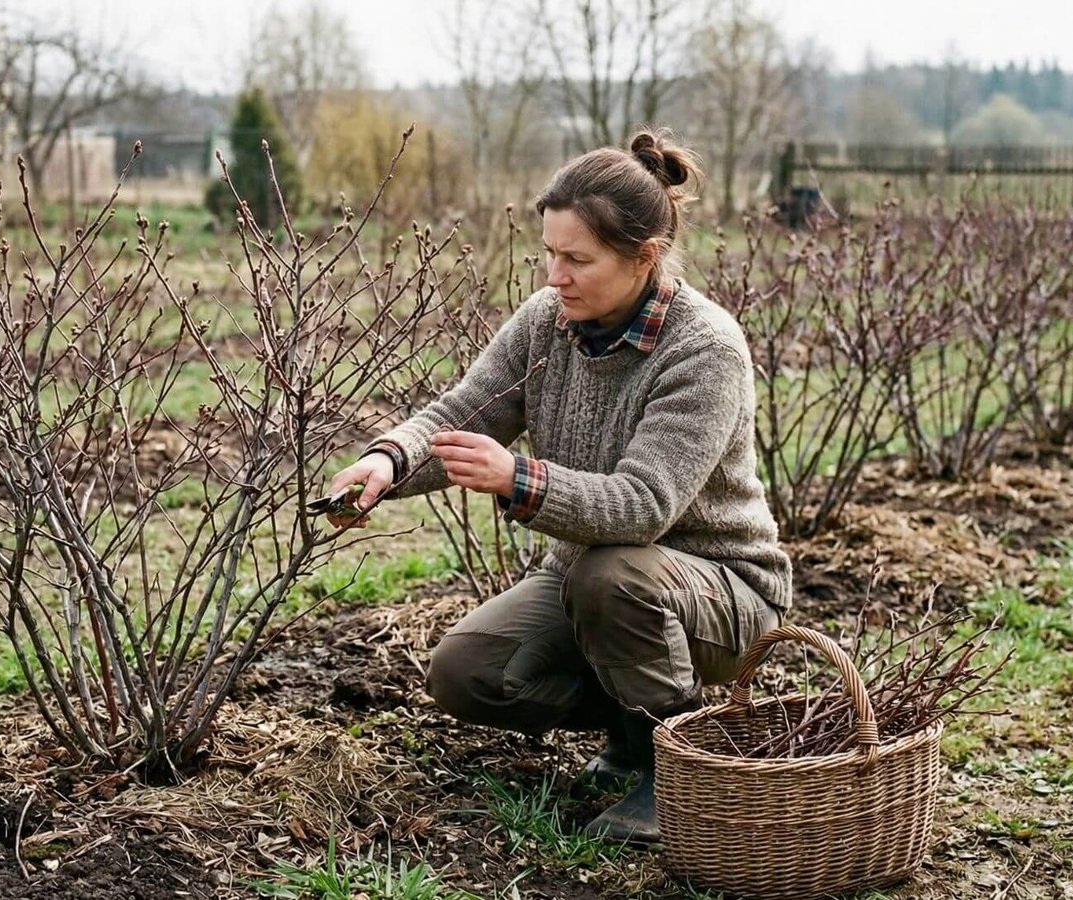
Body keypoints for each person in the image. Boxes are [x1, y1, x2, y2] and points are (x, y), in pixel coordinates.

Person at [322, 128, 792, 844]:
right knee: (469, 671)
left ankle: (679, 770)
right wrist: (387, 463)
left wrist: (519, 478)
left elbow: (643, 508)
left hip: (723, 595)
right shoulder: (549, 321)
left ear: (645, 258)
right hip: (599, 583)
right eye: (549, 252)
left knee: (613, 576)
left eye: (578, 259)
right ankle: (631, 728)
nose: (554, 275)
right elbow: (464, 413)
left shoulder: (704, 348)